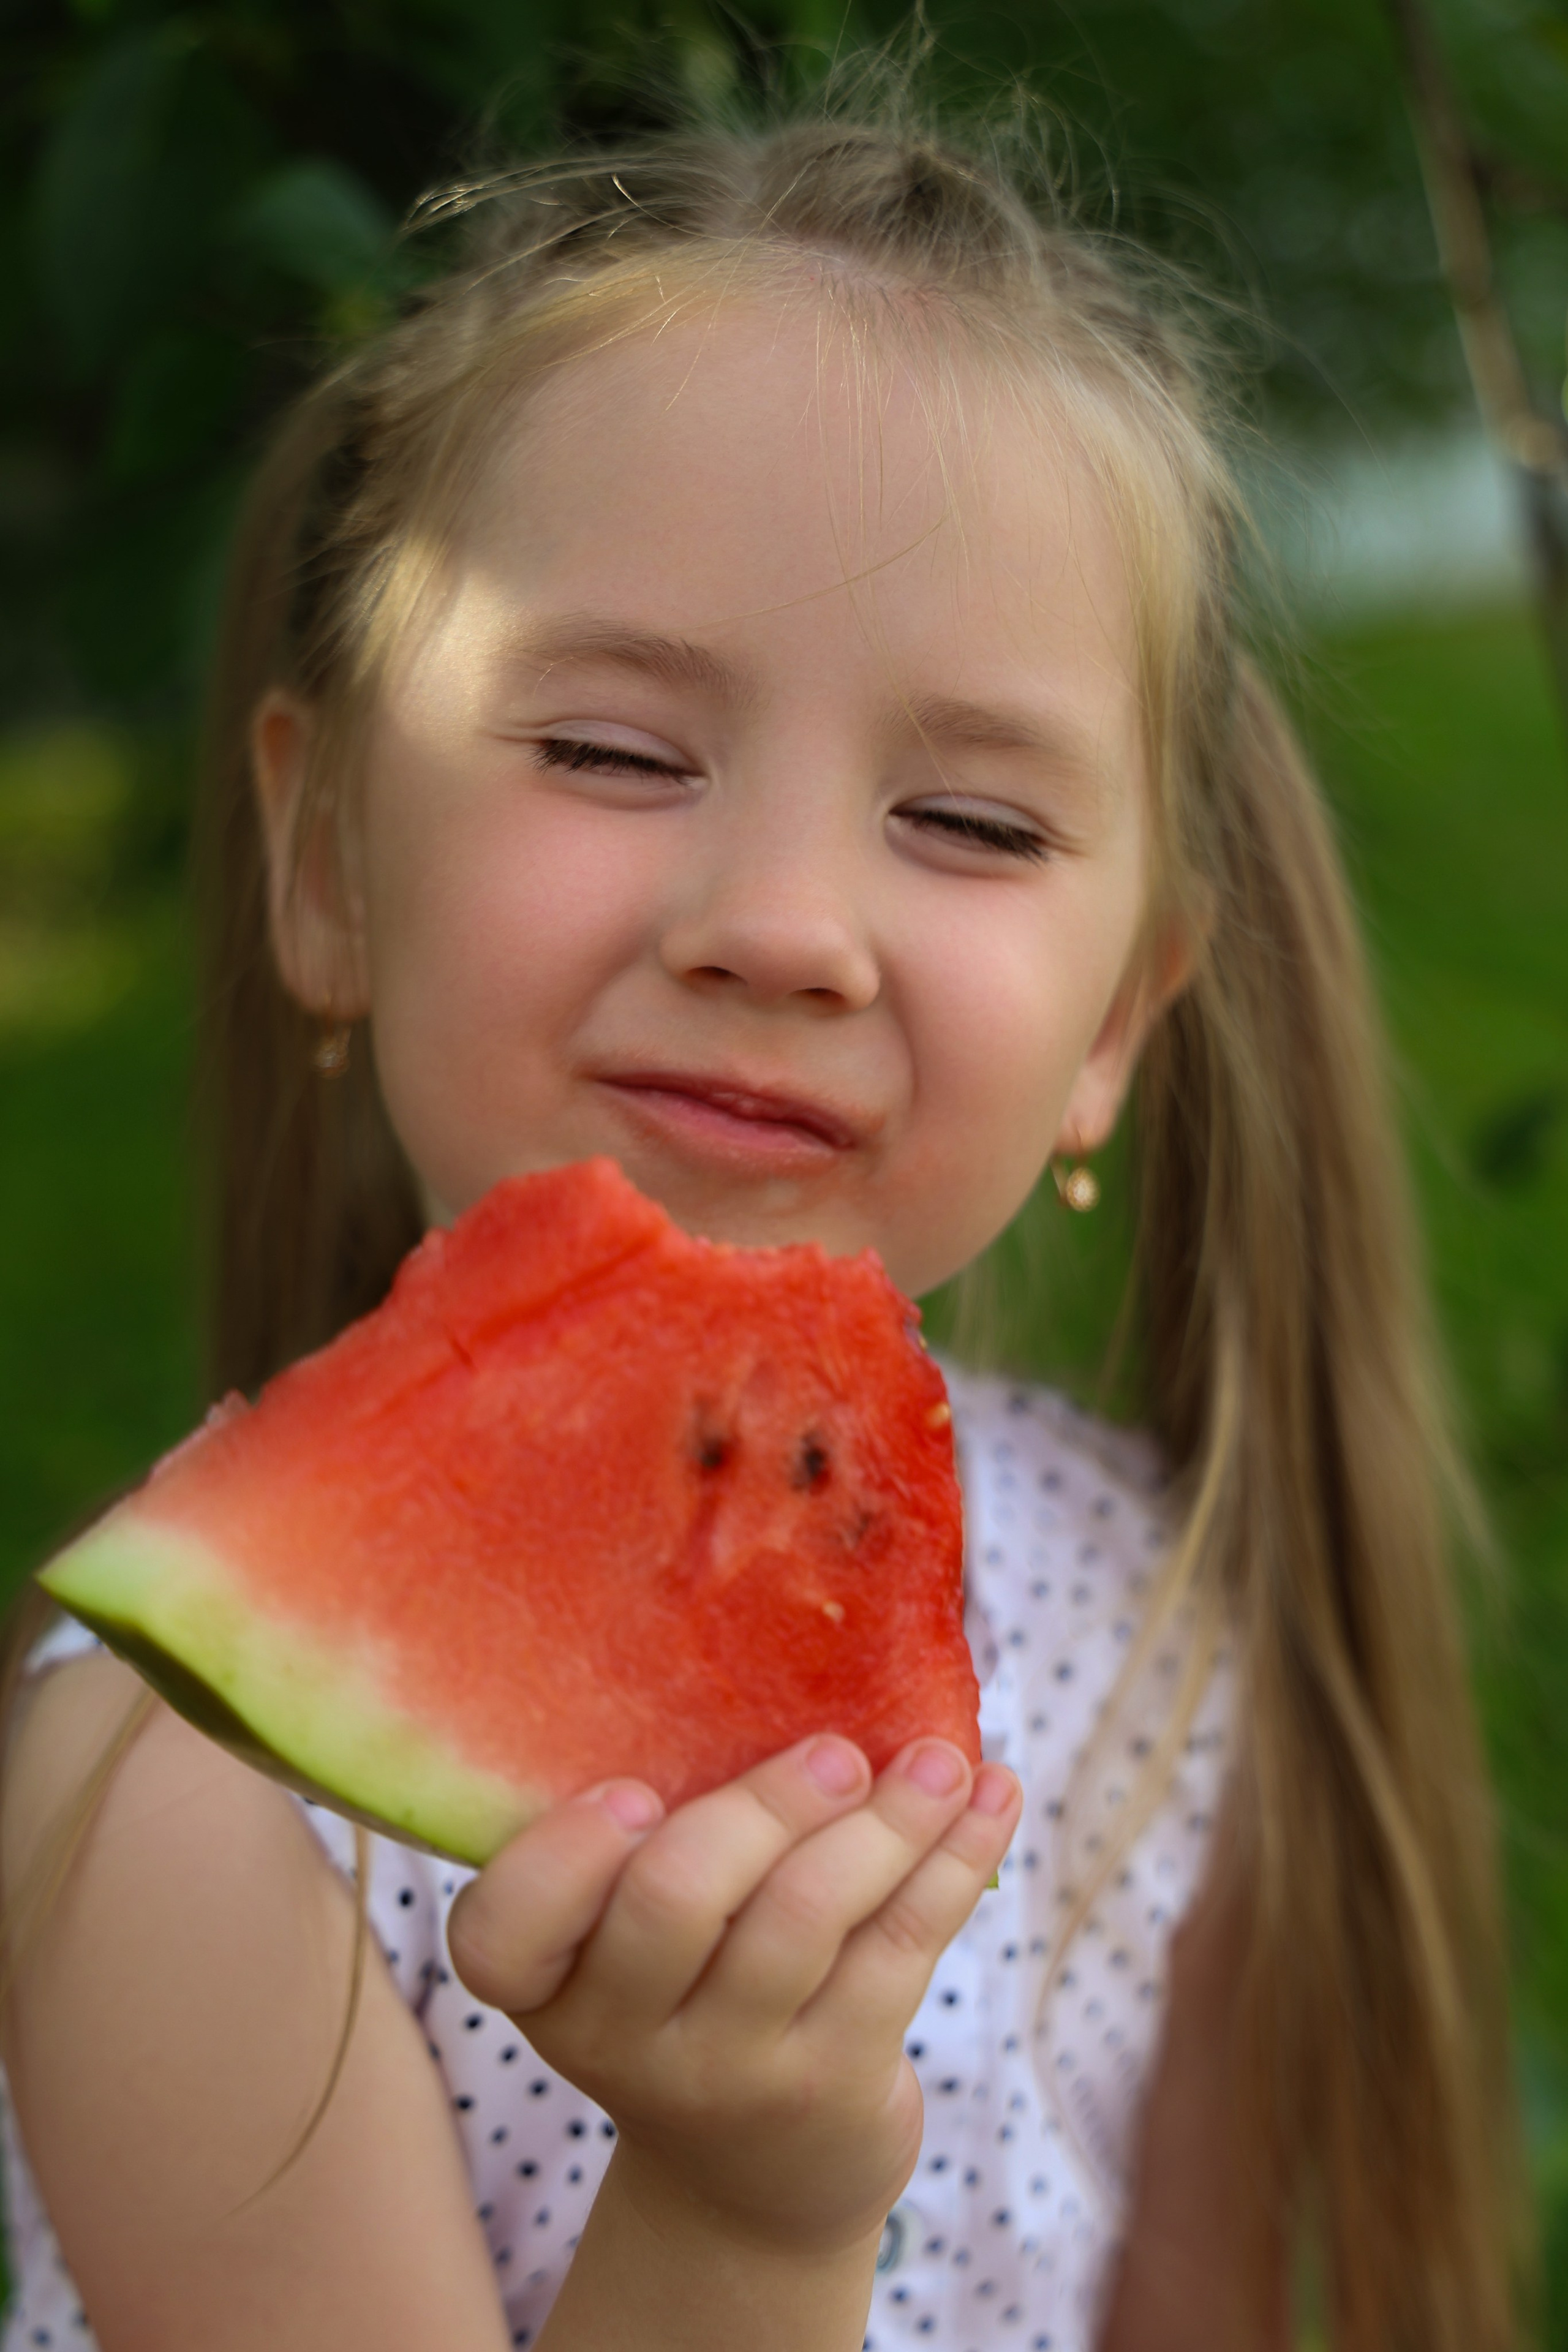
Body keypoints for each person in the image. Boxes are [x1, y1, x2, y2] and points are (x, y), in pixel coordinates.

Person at [0, 94, 1521, 2352]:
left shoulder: (1165, 1621)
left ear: (1121, 1021)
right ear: (324, 869)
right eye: (612, 752)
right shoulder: (171, 1804)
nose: (787, 925)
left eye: (973, 818)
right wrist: (747, 2210)